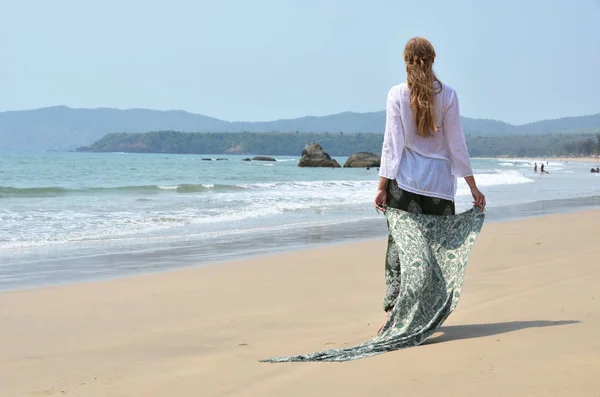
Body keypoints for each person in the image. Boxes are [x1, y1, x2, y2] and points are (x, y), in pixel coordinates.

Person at [373, 37, 485, 330]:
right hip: (439, 186)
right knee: (438, 250)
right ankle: (429, 313)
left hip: (405, 183)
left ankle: (395, 312)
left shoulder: (396, 94)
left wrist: (382, 185)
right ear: (432, 60)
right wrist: (473, 186)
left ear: (406, 61)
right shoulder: (448, 95)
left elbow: (392, 145)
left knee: (401, 247)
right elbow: (456, 144)